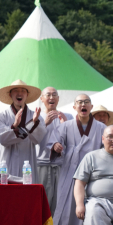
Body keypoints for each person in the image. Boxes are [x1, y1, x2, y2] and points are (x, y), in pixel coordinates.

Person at [49, 94, 106, 225]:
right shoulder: (66, 126)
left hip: (93, 173)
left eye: (86, 102)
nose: (83, 105)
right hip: (70, 170)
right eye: (79, 102)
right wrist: (56, 146)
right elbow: (55, 140)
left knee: (91, 204)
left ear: (91, 107)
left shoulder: (101, 128)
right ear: (74, 107)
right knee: (66, 203)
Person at [0, 80, 46, 181]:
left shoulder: (35, 117)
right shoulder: (1, 117)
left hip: (27, 162)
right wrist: (14, 125)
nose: (19, 93)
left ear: (27, 95)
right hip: (7, 162)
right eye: (16, 90)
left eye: (23, 91)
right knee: (6, 193)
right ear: (10, 95)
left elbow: (38, 139)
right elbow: (2, 139)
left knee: (27, 194)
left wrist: (34, 123)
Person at [36, 87, 73, 216]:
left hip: (61, 165)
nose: (51, 97)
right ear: (42, 98)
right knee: (42, 201)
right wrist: (44, 123)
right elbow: (31, 139)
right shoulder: (37, 117)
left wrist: (66, 125)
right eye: (48, 95)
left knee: (60, 202)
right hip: (41, 164)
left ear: (58, 99)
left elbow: (73, 140)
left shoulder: (67, 116)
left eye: (54, 95)